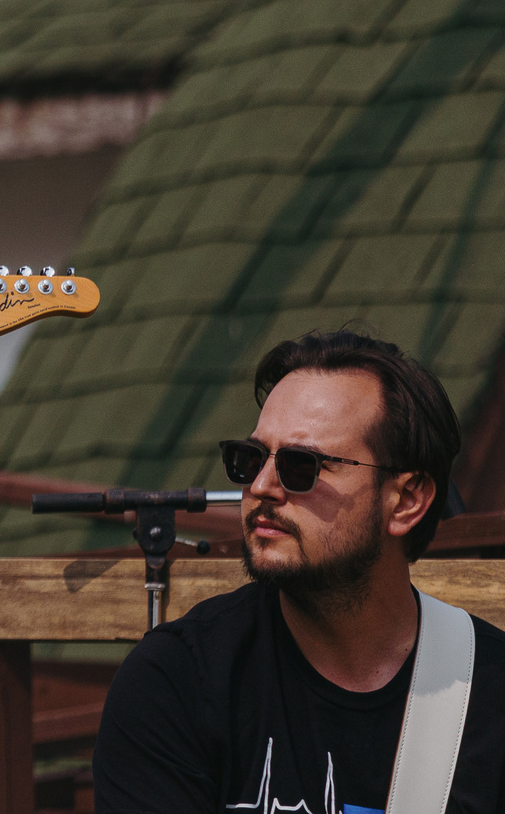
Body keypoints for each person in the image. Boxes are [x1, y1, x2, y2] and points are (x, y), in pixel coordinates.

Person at [94, 330, 505, 814]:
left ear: (407, 501)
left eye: (301, 465)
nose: (262, 486)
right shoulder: (176, 681)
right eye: (249, 459)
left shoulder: (490, 695)